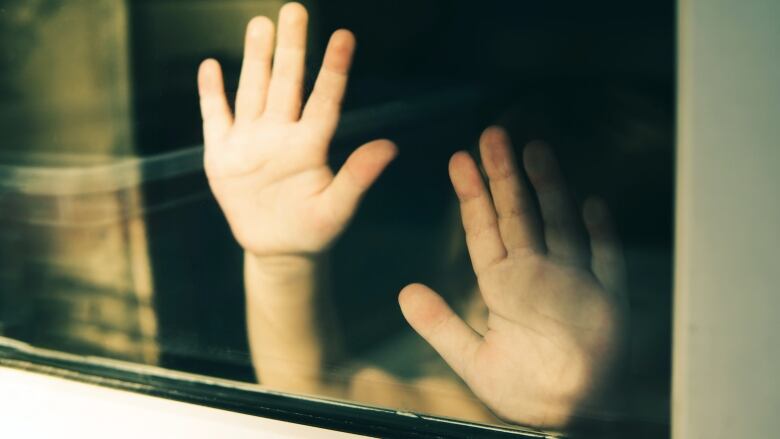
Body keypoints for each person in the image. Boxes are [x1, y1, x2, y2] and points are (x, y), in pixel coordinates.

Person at [197, 2, 628, 429]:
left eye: (584, 268)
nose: (534, 294)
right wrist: (281, 263)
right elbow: (312, 392)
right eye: (496, 249)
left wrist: (582, 416)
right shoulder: (468, 400)